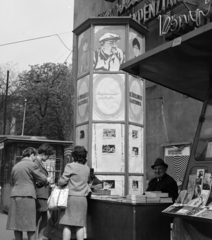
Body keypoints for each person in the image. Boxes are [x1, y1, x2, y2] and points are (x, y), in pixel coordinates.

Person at [6, 147, 50, 240]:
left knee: (16, 223)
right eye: (34, 156)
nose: (35, 158)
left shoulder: (16, 166)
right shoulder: (32, 165)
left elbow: (13, 180)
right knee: (30, 223)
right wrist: (47, 180)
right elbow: (42, 178)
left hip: (15, 195)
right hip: (28, 196)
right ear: (32, 155)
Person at [58, 146, 91, 240]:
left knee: (67, 224)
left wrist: (59, 182)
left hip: (71, 199)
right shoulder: (87, 168)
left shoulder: (70, 166)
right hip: (82, 200)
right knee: (80, 225)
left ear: (74, 156)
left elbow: (62, 181)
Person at [34, 143, 54, 240]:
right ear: (44, 153)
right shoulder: (36, 162)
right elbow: (37, 179)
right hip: (40, 193)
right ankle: (38, 237)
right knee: (41, 218)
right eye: (48, 155)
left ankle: (39, 237)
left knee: (42, 217)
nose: (48, 157)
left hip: (42, 193)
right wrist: (47, 180)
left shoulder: (38, 162)